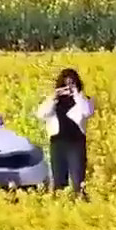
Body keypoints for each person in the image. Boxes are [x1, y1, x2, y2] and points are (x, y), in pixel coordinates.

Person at [35, 68, 94, 199]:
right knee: (59, 179)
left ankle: (80, 202)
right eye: (65, 84)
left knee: (78, 179)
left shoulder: (84, 100)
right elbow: (41, 114)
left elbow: (87, 112)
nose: (68, 87)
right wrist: (53, 97)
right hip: (57, 143)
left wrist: (77, 94)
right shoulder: (54, 102)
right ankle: (60, 205)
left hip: (76, 143)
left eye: (71, 83)